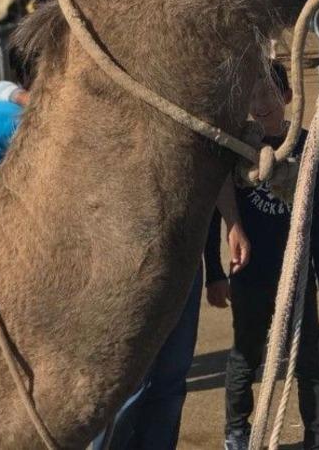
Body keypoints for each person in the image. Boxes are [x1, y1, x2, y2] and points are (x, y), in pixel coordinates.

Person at [218, 61, 319, 450]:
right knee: (245, 357)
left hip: (298, 272)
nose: (262, 102)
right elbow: (215, 213)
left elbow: (318, 214)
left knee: (308, 360)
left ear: (287, 97)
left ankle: (317, 435)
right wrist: (213, 274)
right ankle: (237, 430)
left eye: (269, 92)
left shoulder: (306, 144)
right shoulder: (237, 147)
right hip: (250, 273)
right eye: (253, 94)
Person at [93, 190, 250, 450]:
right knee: (130, 382)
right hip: (129, 253)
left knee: (171, 380)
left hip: (185, 254)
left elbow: (215, 161)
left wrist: (233, 222)